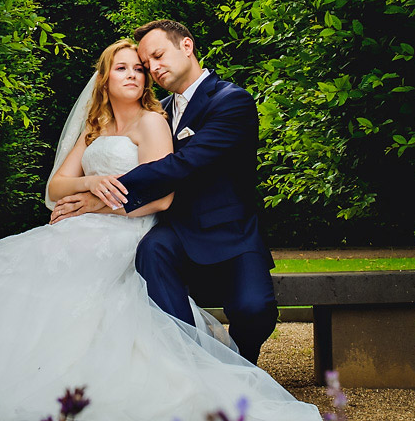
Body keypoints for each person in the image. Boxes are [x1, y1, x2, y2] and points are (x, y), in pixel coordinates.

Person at [0, 39, 320, 421]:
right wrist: (88, 183)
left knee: (100, 288)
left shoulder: (156, 122)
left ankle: (178, 371)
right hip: (80, 228)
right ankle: (6, 377)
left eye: (141, 67)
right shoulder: (96, 128)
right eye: (123, 67)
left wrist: (95, 202)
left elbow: (163, 195)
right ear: (104, 77)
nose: (136, 73)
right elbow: (55, 188)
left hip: (130, 228)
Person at [50, 20, 277, 365]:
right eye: (147, 64)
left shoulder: (231, 101)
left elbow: (183, 164)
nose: (152, 68)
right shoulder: (159, 110)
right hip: (174, 229)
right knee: (151, 251)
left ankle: (241, 367)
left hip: (229, 231)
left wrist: (98, 198)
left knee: (255, 309)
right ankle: (188, 362)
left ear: (186, 46)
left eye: (157, 56)